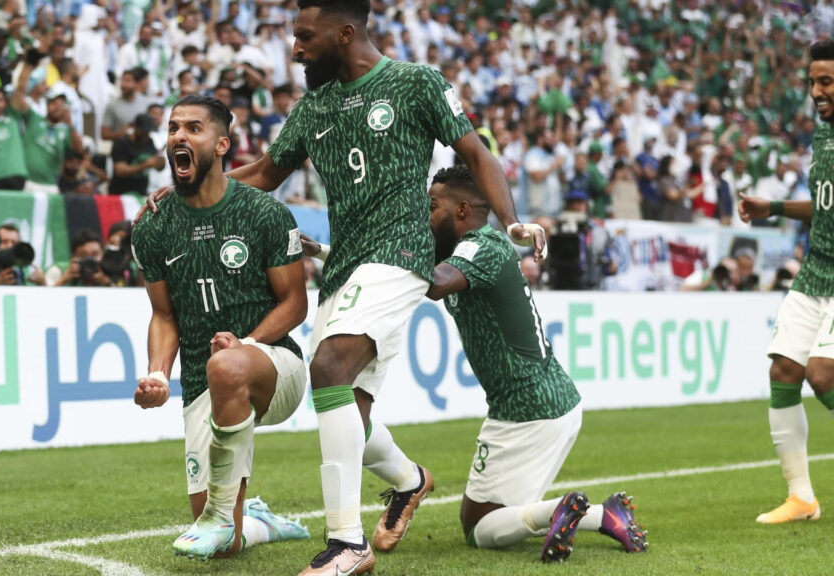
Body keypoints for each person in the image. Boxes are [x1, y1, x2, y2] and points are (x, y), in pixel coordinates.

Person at [139, 4, 544, 575]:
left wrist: (513, 219)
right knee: (347, 408)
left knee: (328, 367)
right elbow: (265, 173)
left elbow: (475, 153)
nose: (296, 49)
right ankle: (409, 482)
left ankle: (345, 545)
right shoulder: (314, 107)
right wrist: (186, 185)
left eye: (305, 38)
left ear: (345, 33)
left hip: (400, 254)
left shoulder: (415, 83)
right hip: (344, 268)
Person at [424, 165, 646, 561]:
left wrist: (389, 245)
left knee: (478, 527)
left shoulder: (482, 246)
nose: (426, 215)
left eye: (432, 206)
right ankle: (605, 514)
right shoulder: (472, 248)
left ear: (461, 210)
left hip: (526, 409)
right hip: (548, 402)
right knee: (495, 514)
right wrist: (325, 253)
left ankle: (559, 508)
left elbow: (435, 283)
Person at [130, 95, 310, 559]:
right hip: (200, 380)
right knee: (223, 545)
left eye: (193, 128)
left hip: (275, 366)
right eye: (173, 129)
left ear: (223, 144)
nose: (178, 137)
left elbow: (294, 305)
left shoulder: (264, 212)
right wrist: (156, 373)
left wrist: (246, 343)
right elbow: (164, 315)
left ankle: (221, 515)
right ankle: (255, 521)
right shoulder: (152, 227)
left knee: (228, 365)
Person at [736, 40, 834, 525]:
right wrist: (771, 207)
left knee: (822, 374)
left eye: (827, 82)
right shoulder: (823, 136)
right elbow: (823, 205)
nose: (817, 91)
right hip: (816, 267)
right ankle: (802, 499)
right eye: (813, 82)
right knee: (784, 372)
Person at [13, 47, 83, 194]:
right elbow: (19, 92)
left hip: (51, 185)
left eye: (61, 103)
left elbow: (79, 150)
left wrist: (70, 125)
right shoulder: (34, 118)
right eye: (53, 103)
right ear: (47, 105)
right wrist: (28, 65)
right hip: (29, 183)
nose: (57, 107)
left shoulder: (65, 130)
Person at [109, 112, 165, 195]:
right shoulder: (121, 143)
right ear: (136, 127)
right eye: (144, 131)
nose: (146, 134)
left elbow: (159, 166)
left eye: (148, 131)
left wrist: (160, 160)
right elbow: (120, 171)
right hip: (121, 193)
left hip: (141, 192)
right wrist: (145, 165)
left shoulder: (148, 141)